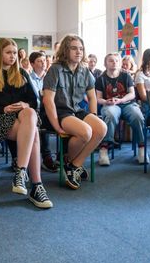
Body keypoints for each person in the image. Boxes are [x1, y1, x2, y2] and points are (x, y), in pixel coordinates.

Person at [0, 39, 53, 209]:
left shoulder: (22, 73)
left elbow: (35, 102)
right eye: (8, 52)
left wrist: (26, 104)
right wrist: (3, 109)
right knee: (33, 132)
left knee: (30, 113)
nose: (13, 56)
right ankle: (36, 185)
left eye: (14, 52)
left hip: (24, 120)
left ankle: (21, 172)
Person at [43, 34, 107, 190]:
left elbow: (92, 97)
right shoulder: (55, 69)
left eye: (81, 49)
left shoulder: (85, 71)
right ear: (65, 50)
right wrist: (57, 127)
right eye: (74, 48)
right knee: (86, 132)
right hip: (59, 112)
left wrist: (93, 116)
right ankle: (70, 163)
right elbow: (48, 100)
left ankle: (73, 165)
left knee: (101, 128)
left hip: (77, 111)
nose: (78, 52)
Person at [96, 52, 147, 166]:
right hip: (110, 105)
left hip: (127, 104)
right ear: (105, 64)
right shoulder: (100, 79)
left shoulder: (126, 76)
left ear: (119, 63)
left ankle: (141, 148)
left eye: (116, 61)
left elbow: (132, 94)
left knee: (137, 115)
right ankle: (104, 149)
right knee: (110, 115)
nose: (114, 62)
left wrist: (120, 100)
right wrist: (106, 102)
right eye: (111, 60)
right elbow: (98, 98)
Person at [29, 51, 58, 172]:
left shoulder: (51, 78)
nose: (43, 63)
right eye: (39, 61)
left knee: (65, 118)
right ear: (32, 64)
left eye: (44, 61)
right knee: (40, 120)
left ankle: (62, 156)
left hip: (50, 108)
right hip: (35, 110)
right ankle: (46, 156)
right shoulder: (28, 79)